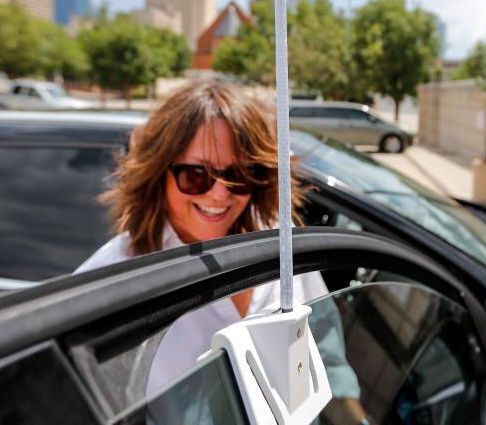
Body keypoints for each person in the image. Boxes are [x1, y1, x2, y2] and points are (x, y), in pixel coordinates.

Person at [74, 78, 361, 408]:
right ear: (159, 173)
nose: (219, 193)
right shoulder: (114, 276)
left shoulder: (281, 247)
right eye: (196, 175)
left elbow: (327, 354)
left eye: (238, 176)